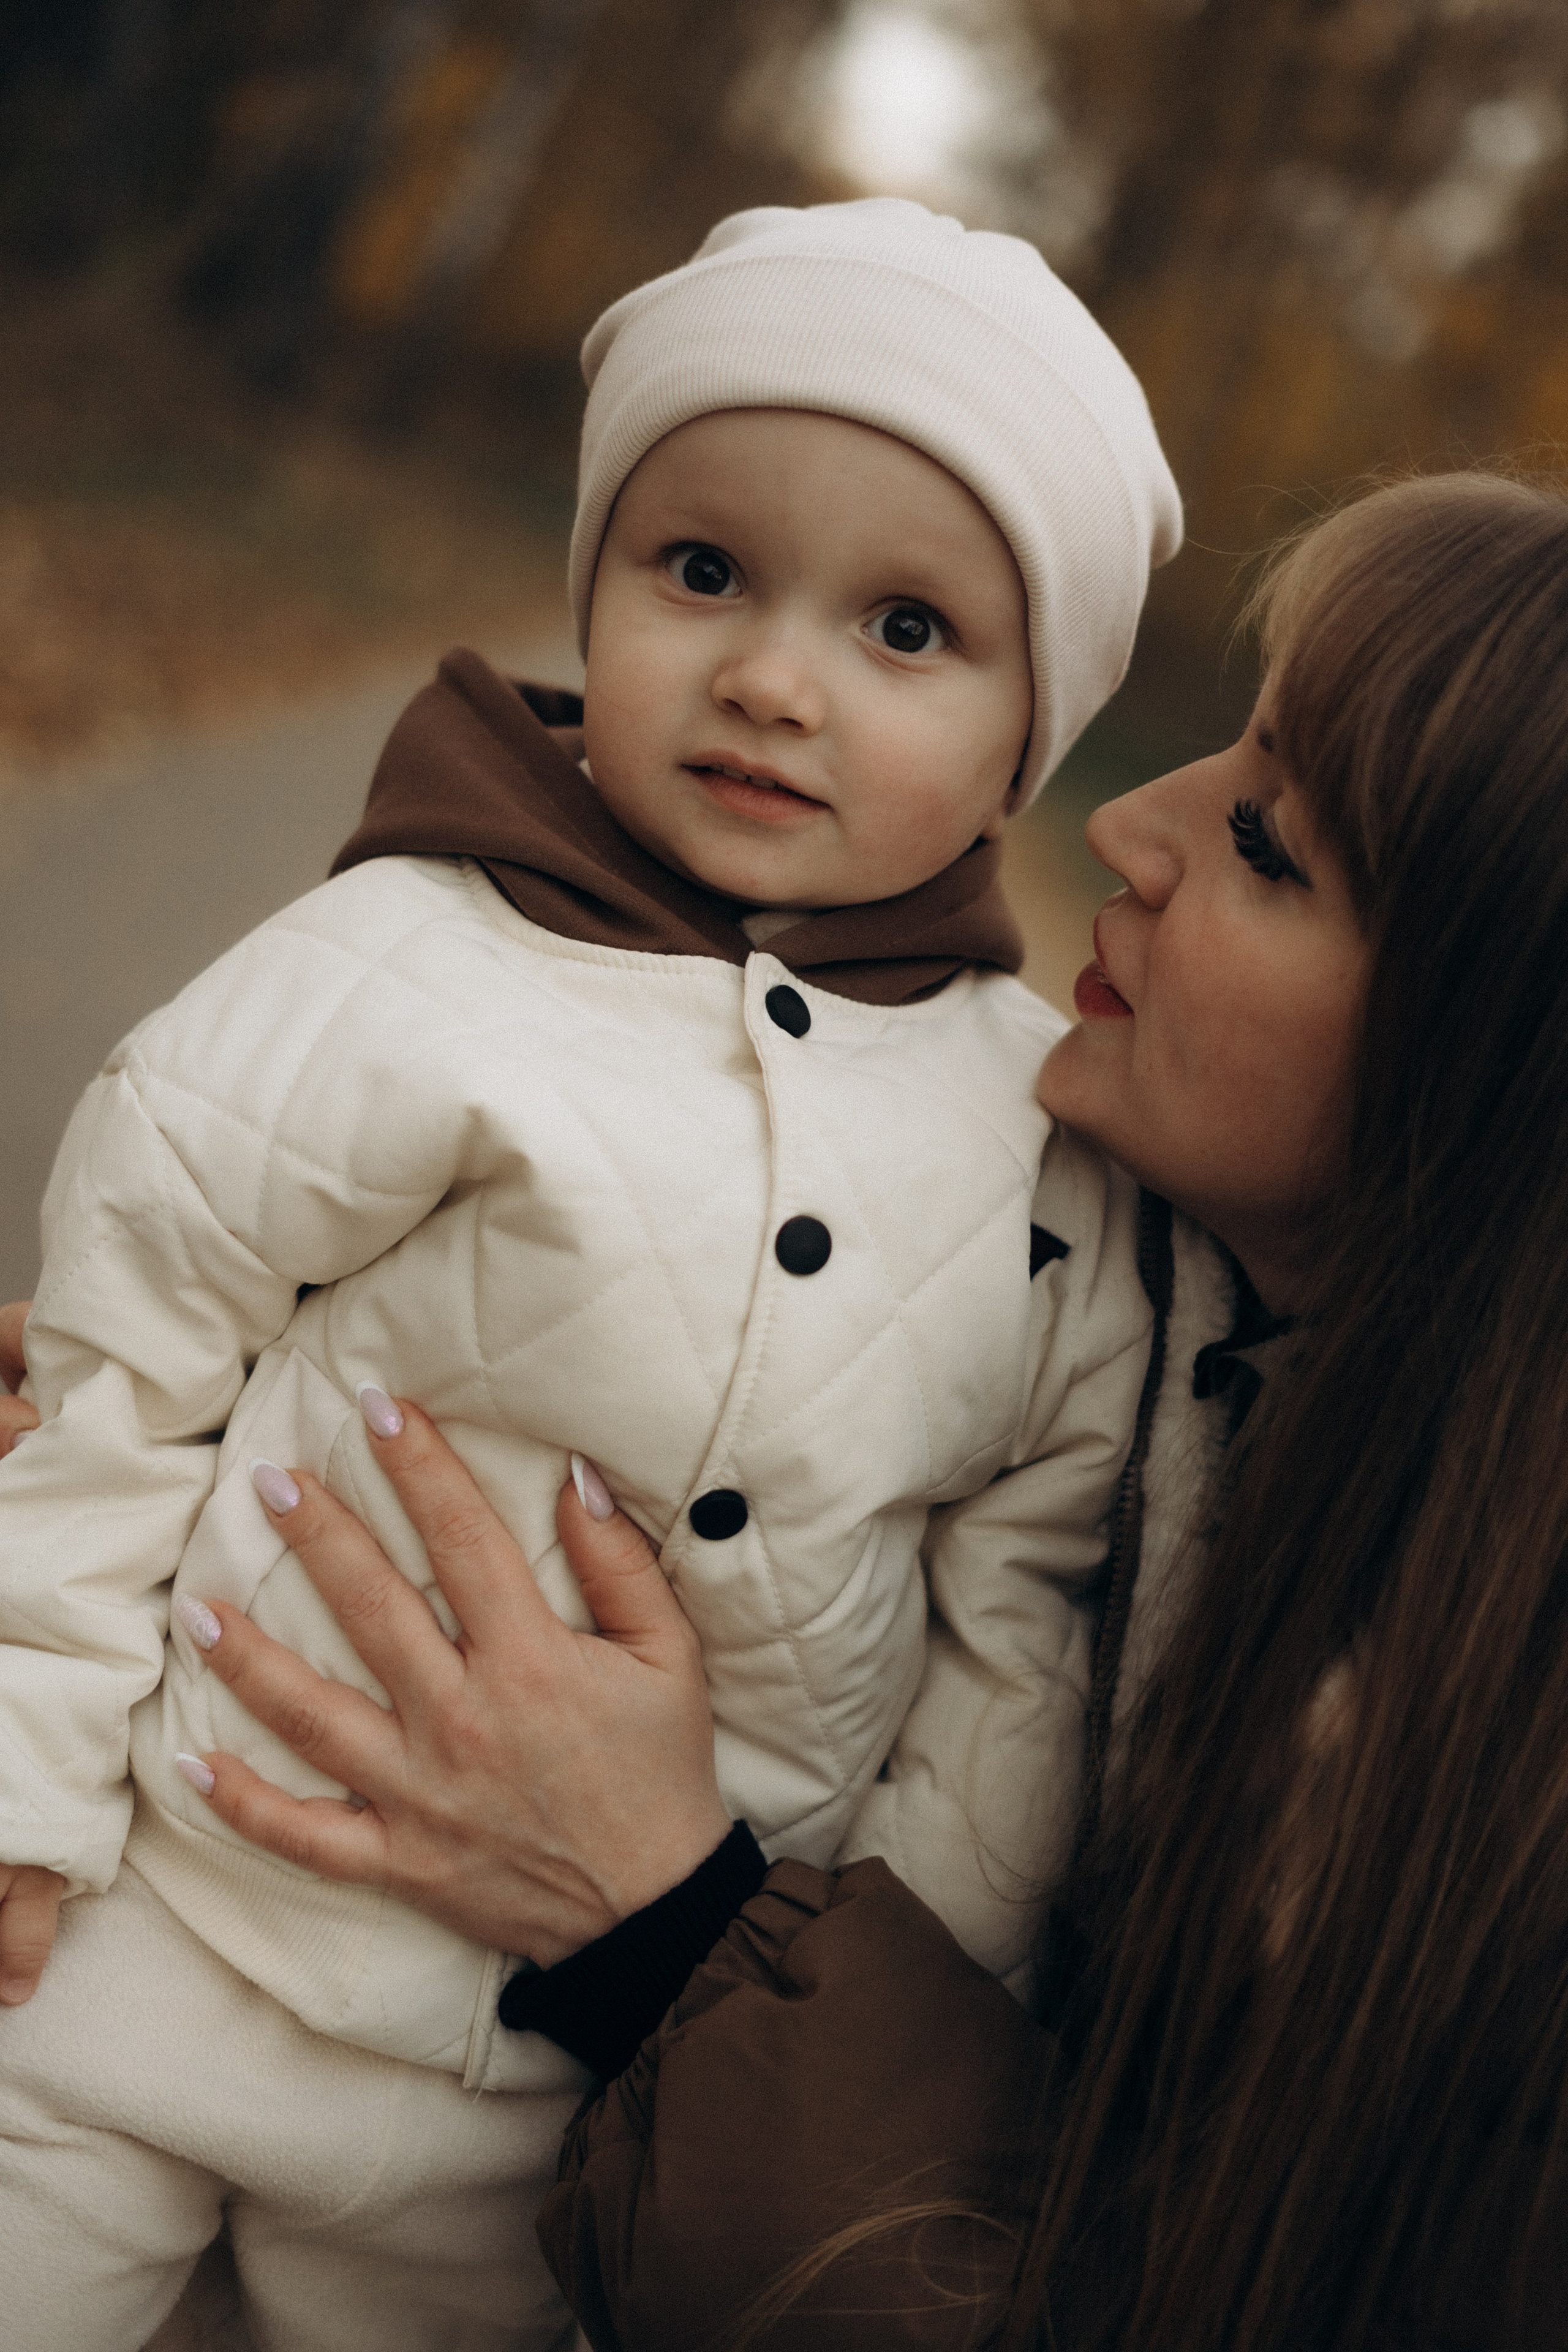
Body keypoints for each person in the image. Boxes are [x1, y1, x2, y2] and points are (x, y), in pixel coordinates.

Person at [22, 466, 1559, 2350]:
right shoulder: (1165, 1327)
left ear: (1490, 1067)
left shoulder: (1483, 1796)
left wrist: (672, 1935)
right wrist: (201, 1413)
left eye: (1264, 844)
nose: (1135, 831)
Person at [0, 199, 1183, 2352]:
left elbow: (1016, 1627)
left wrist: (865, 2001)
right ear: (596, 581)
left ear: (1035, 734)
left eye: (907, 628)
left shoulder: (1047, 1145)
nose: (769, 672)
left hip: (561, 2110)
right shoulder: (418, 956)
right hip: (167, 1923)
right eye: (702, 569)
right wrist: (21, 1772)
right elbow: (123, 1358)